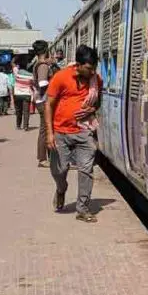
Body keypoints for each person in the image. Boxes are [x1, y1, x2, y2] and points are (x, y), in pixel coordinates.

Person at [46, 45, 102, 223]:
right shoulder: (60, 77)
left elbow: (98, 102)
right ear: (78, 65)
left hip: (84, 132)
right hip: (61, 132)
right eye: (89, 68)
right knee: (60, 170)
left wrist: (91, 109)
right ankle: (61, 189)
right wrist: (49, 133)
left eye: (94, 67)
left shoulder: (96, 80)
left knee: (86, 169)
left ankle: (83, 208)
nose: (92, 71)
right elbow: (49, 104)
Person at [32, 40, 54, 167]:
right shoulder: (43, 66)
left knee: (44, 129)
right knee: (45, 129)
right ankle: (42, 159)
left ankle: (45, 157)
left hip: (41, 99)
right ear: (46, 50)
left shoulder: (40, 64)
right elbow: (42, 83)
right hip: (44, 101)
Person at [13, 62, 34, 131]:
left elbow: (13, 63)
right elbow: (32, 84)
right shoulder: (31, 75)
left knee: (18, 111)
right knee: (26, 111)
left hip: (17, 94)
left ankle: (18, 125)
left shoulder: (16, 72)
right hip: (26, 94)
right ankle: (25, 126)